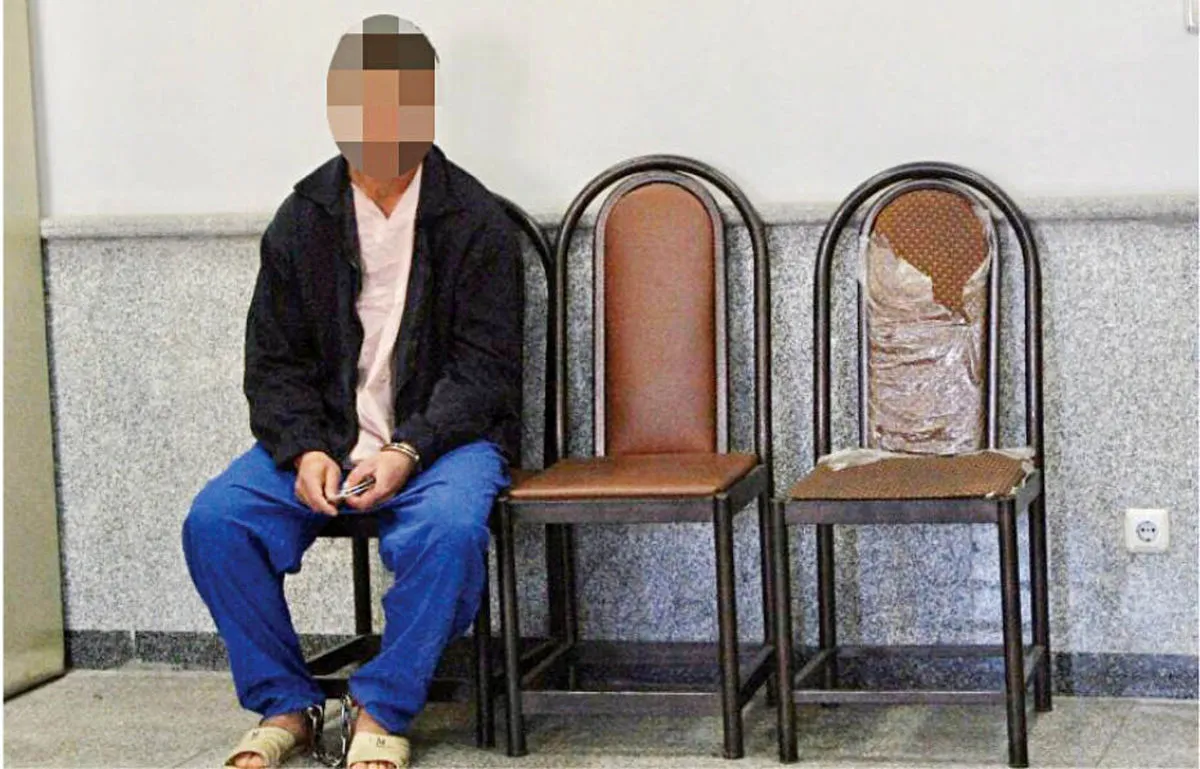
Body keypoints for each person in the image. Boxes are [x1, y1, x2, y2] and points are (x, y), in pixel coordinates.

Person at [181, 15, 523, 769]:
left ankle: (382, 706)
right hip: (327, 437)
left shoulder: (476, 221)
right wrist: (305, 447)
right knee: (217, 521)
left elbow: (486, 371)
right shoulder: (303, 218)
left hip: (442, 444)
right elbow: (273, 363)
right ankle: (286, 702)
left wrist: (407, 449)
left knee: (450, 532)